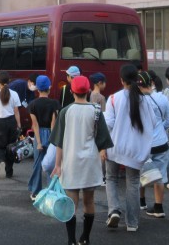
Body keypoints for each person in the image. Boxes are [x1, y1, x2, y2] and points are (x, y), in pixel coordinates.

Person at [51, 75, 113, 245]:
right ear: (88, 91)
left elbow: (59, 142)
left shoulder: (65, 112)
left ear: (71, 91)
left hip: (70, 162)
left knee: (71, 203)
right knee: (89, 201)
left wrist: (57, 165)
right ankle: (85, 237)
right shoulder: (96, 110)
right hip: (90, 162)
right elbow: (102, 140)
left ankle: (71, 240)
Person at [104, 63, 157, 232]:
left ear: (121, 80)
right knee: (133, 183)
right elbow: (153, 123)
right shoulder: (145, 100)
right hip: (135, 149)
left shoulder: (114, 98)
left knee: (111, 178)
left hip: (114, 146)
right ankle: (132, 223)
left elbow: (108, 124)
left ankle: (114, 211)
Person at [138, 71, 169, 218]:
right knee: (160, 175)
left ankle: (141, 201)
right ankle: (158, 208)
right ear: (152, 82)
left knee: (140, 173)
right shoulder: (162, 98)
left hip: (143, 144)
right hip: (160, 142)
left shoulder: (137, 100)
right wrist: (161, 128)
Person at [27, 74, 60, 200]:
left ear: (37, 89)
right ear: (49, 88)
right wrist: (52, 139)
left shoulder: (32, 104)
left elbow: (34, 124)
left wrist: (39, 142)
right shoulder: (54, 104)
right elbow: (53, 123)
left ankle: (35, 191)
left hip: (39, 134)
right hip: (51, 134)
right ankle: (51, 192)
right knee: (51, 164)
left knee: (37, 164)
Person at [0, 71, 21, 179]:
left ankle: (1, 161)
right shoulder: (14, 94)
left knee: (0, 146)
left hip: (0, 123)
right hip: (12, 122)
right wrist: (19, 124)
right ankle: (9, 171)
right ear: (9, 80)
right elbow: (16, 111)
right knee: (11, 147)